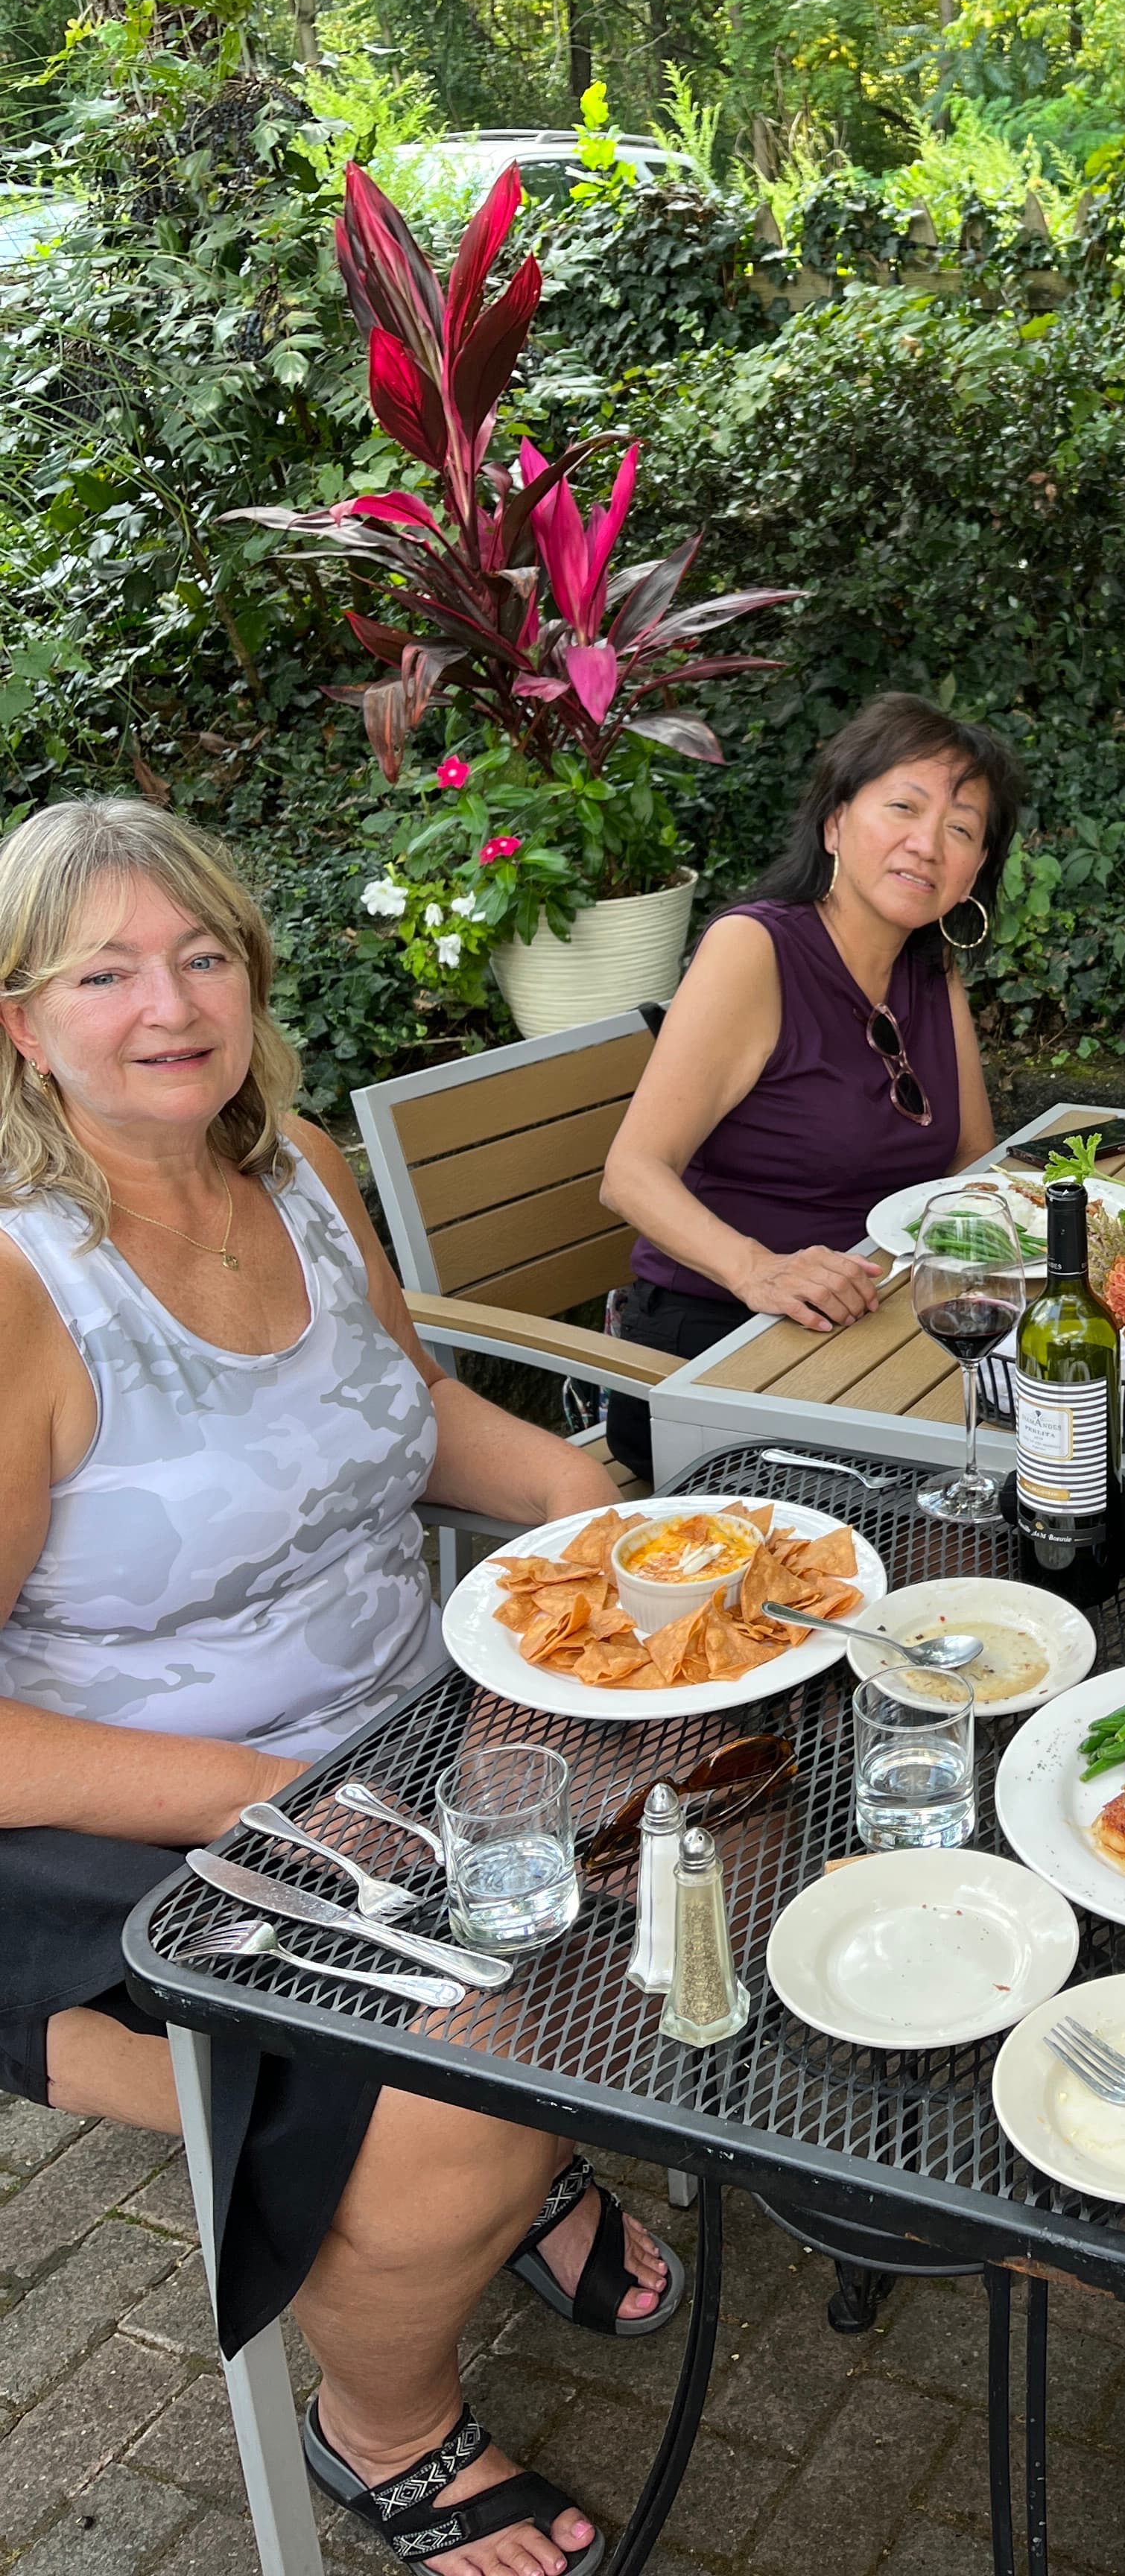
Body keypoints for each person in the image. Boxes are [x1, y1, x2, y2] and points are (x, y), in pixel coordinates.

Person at [0, 796, 679, 2576]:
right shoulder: (18, 1285)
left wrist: (563, 1494)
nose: (171, 1002)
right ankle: (384, 2423)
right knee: (464, 2078)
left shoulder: (291, 1162)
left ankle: (541, 2133)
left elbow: (400, 1410)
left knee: (724, 1796)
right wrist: (262, 1795)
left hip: (411, 1734)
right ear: (19, 1022)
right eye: (106, 970)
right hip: (139, 1826)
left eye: (203, 952)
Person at [600, 692, 1020, 1474]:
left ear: (975, 873)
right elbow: (629, 1176)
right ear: (835, 823)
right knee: (984, 1479)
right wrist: (759, 1269)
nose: (928, 844)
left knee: (1062, 1419)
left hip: (873, 1326)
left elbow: (970, 1156)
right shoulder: (754, 948)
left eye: (961, 830)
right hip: (715, 1344)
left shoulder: (930, 967)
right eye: (903, 807)